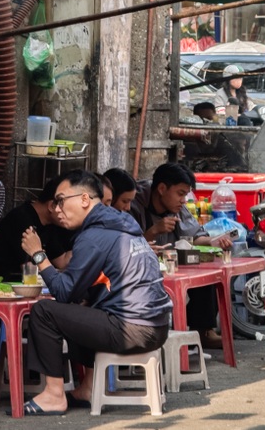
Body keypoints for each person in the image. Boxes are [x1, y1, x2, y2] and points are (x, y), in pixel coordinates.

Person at [19, 170, 172, 415]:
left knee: (44, 311)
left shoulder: (93, 236)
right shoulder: (122, 225)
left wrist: (39, 255)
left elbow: (63, 292)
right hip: (158, 327)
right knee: (83, 308)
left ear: (84, 200)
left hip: (131, 328)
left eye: (61, 200)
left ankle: (53, 395)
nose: (56, 209)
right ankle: (89, 387)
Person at [129, 162, 231, 349]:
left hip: (170, 266)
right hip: (139, 269)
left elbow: (194, 236)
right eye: (180, 193)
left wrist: (215, 241)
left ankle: (203, 331)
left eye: (186, 194)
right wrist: (153, 231)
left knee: (204, 273)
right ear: (161, 189)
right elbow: (125, 246)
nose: (184, 200)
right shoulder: (134, 204)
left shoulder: (177, 208)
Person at [0, 176, 73, 281]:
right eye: (68, 207)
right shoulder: (21, 218)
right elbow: (30, 269)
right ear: (51, 206)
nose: (71, 213)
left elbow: (62, 262)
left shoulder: (50, 223)